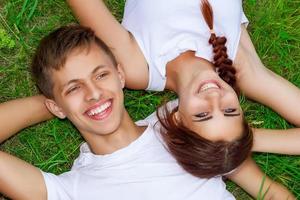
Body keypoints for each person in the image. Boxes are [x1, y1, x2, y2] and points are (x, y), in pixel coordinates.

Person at [0, 25, 294, 200]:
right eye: (74, 88)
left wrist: (71, 101)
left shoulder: (181, 123)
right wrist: (59, 104)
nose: (93, 93)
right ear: (55, 105)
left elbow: (268, 192)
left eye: (101, 75)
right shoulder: (70, 190)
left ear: (121, 76)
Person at [66, 0, 300, 177]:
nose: (215, 98)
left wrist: (226, 140)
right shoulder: (243, 69)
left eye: (202, 115)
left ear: (176, 119)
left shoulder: (140, 67)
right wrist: (237, 142)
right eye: (230, 112)